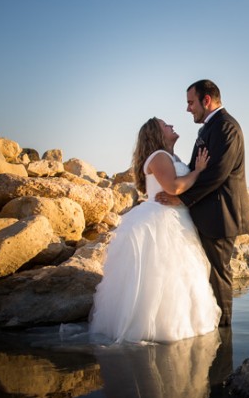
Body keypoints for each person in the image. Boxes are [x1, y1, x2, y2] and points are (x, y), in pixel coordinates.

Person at [90, 117, 221, 343]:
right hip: (161, 221)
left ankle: (181, 326)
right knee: (162, 274)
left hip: (178, 219)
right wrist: (198, 170)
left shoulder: (171, 157)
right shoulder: (159, 156)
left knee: (181, 275)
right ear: (155, 133)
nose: (171, 125)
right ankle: (157, 329)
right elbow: (173, 187)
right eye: (164, 124)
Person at [157, 80, 249, 327]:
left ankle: (224, 330)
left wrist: (181, 198)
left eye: (191, 102)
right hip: (209, 214)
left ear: (206, 100)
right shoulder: (210, 128)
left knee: (219, 274)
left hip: (221, 215)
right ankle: (211, 323)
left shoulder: (226, 127)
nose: (188, 109)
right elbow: (196, 170)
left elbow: (218, 172)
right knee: (208, 271)